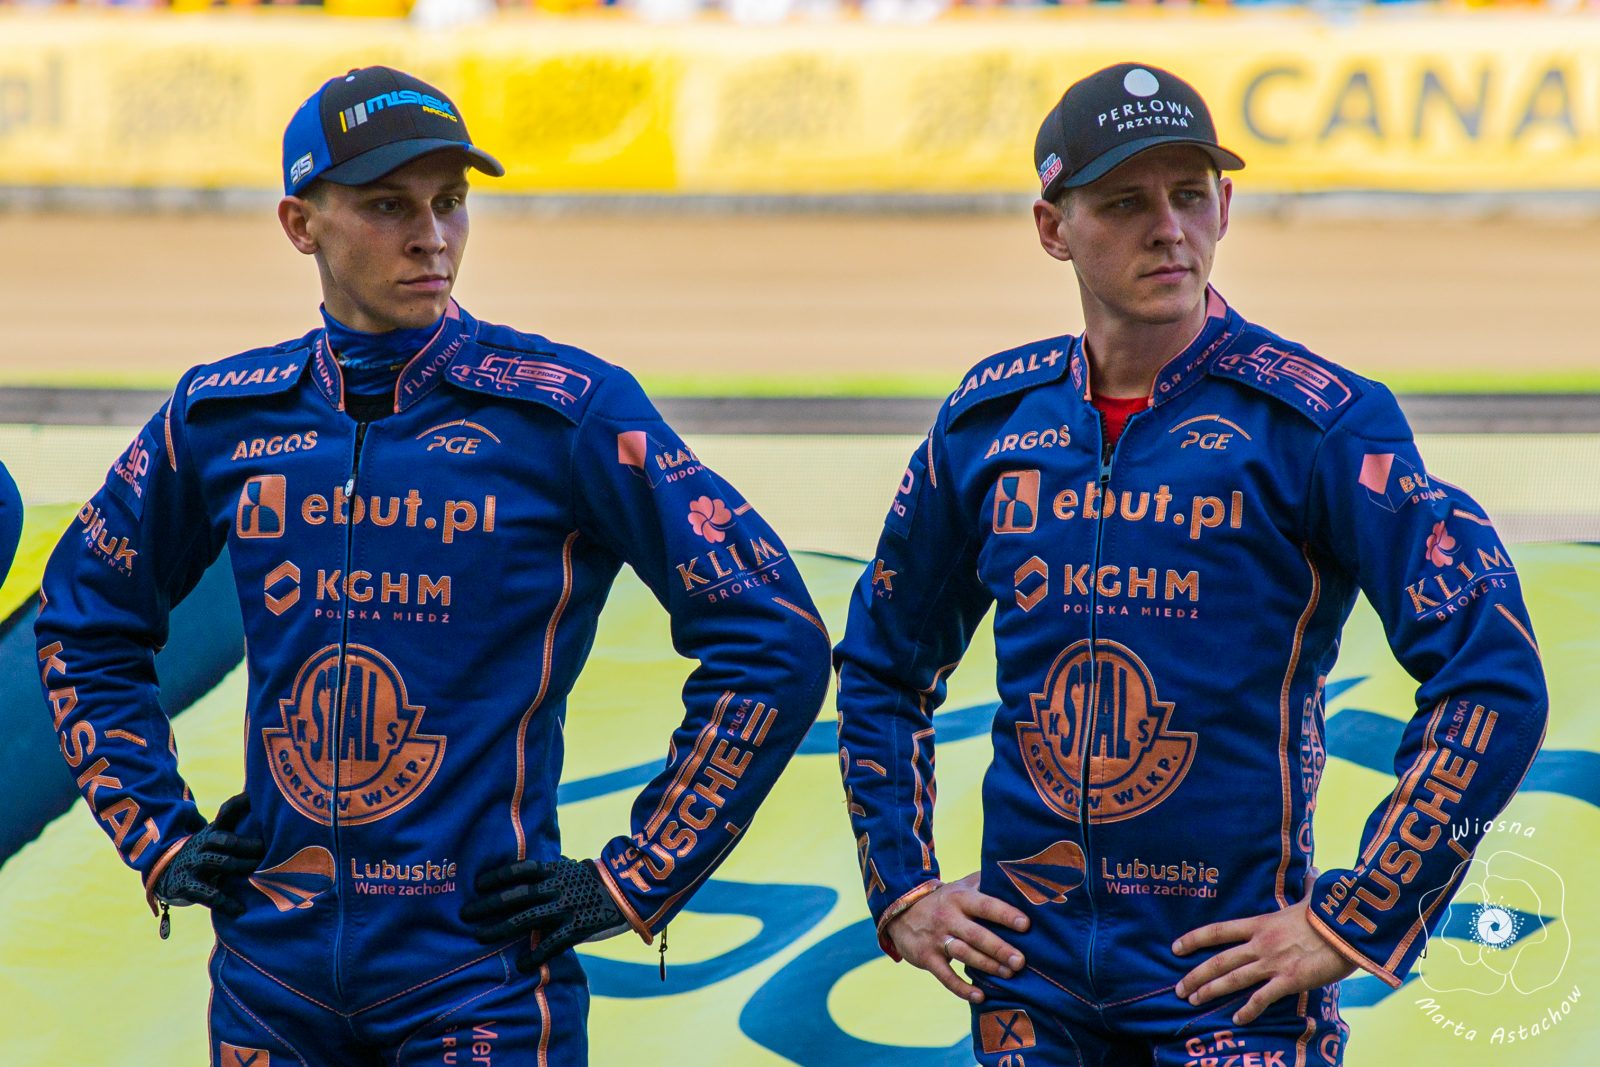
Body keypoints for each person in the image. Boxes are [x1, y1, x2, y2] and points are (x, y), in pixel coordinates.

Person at [36, 65, 832, 1066]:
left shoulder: (569, 410)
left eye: (450, 201)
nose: (433, 236)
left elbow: (776, 639)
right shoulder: (219, 414)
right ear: (300, 223)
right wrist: (158, 833)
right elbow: (81, 620)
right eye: (388, 206)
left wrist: (636, 875)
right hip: (268, 984)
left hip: (480, 983)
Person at [833, 62, 1547, 1066]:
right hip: (1027, 985)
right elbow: (881, 664)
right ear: (1052, 228)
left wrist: (1356, 916)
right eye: (1125, 202)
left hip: (1229, 992)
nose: (1169, 228)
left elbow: (1494, 677)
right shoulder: (987, 421)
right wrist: (902, 886)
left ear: (1226, 206)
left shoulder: (1321, 423)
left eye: (1190, 194)